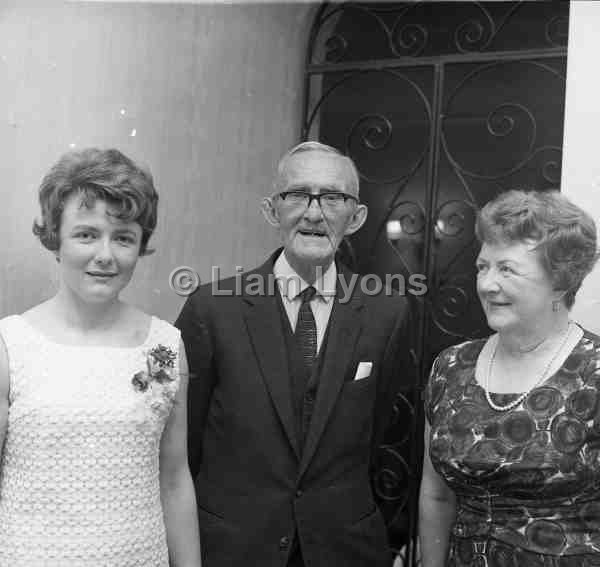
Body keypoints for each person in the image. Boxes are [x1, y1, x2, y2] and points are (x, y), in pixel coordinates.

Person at [176, 141, 410, 567]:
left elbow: (381, 435)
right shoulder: (212, 309)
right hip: (231, 549)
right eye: (297, 194)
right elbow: (182, 448)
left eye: (333, 197)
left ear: (356, 217)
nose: (314, 213)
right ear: (271, 210)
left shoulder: (386, 312)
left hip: (345, 549)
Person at [0, 148, 201, 566]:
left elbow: (175, 478)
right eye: (86, 234)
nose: (106, 255)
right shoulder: (10, 344)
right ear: (55, 238)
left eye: (123, 237)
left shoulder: (163, 348)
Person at [419, 189, 600, 566]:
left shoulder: (595, 370)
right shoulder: (451, 367)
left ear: (561, 282)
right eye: (483, 267)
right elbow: (436, 496)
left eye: (507, 269)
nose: (486, 284)